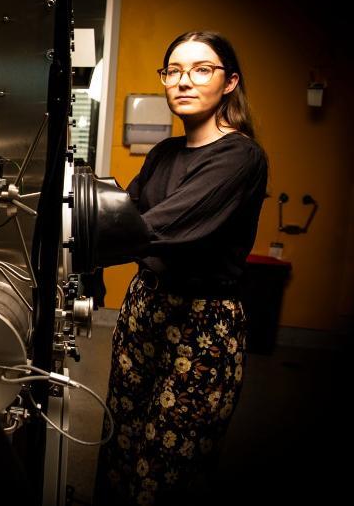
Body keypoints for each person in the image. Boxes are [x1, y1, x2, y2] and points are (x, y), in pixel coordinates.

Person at [94, 31, 269, 505]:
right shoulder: (163, 154)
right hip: (145, 308)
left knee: (166, 465)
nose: (183, 81)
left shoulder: (240, 156)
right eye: (173, 71)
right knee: (121, 440)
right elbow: (122, 210)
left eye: (201, 69)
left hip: (202, 326)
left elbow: (159, 226)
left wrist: (94, 234)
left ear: (230, 82)